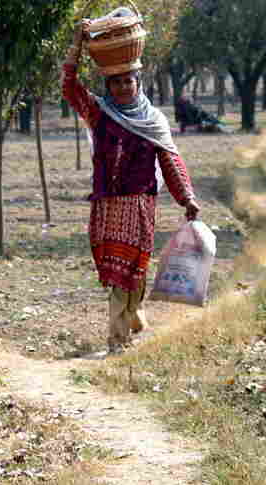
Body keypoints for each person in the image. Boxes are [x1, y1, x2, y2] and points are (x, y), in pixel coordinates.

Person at [62, 18, 200, 353]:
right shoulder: (99, 114)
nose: (124, 87)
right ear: (108, 87)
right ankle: (121, 334)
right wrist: (77, 44)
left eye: (129, 81)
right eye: (117, 83)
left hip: (141, 207)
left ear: (138, 83)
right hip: (108, 207)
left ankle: (127, 326)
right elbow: (70, 87)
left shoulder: (153, 121)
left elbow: (170, 161)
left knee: (135, 271)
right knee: (119, 275)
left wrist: (187, 198)